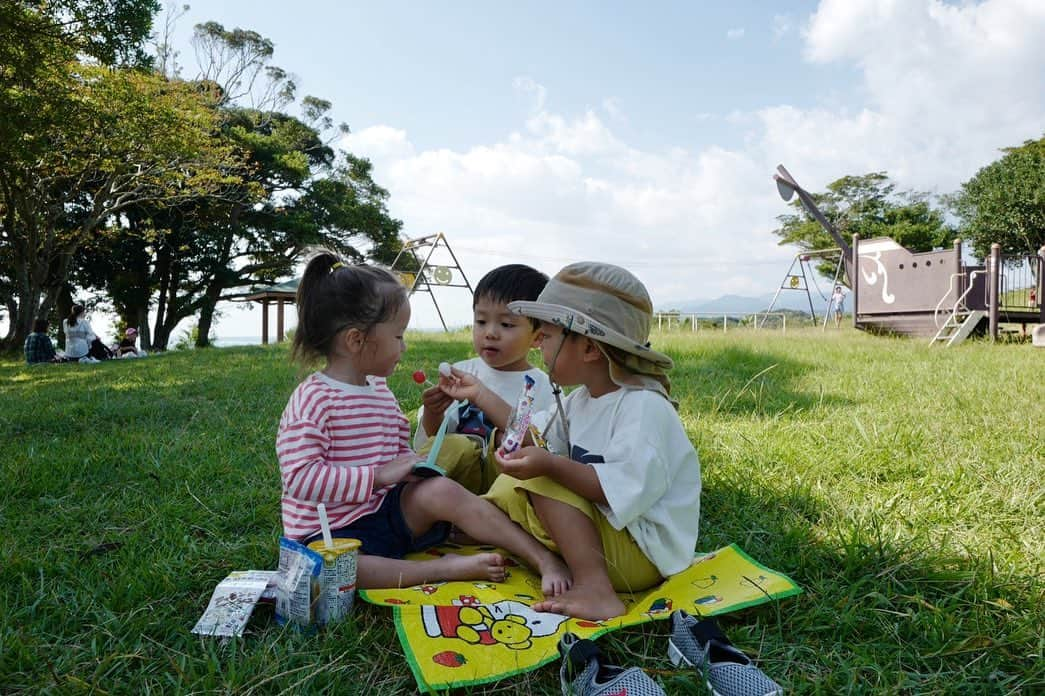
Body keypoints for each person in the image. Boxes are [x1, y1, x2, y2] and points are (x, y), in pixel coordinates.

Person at [276, 250, 570, 594]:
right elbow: (300, 478)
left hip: (385, 513)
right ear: (356, 340)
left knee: (441, 490)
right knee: (325, 570)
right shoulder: (313, 399)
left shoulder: (379, 389)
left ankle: (540, 557)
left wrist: (413, 468)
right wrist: (378, 477)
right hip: (329, 534)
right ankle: (438, 569)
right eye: (398, 336)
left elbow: (399, 451)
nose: (404, 346)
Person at [437, 262, 701, 620]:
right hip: (606, 535)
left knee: (545, 478)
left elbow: (614, 490)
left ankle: (596, 588)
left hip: (642, 552)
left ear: (590, 348)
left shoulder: (642, 408)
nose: (539, 344)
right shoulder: (581, 400)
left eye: (545, 335)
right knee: (512, 482)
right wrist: (481, 395)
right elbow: (531, 437)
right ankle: (526, 548)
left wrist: (548, 465)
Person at [414, 264, 552, 494]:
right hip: (457, 482)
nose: (490, 333)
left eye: (506, 324)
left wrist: (482, 397)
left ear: (537, 338)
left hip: (505, 485)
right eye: (481, 321)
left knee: (509, 446)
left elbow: (541, 446)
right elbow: (435, 440)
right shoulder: (461, 372)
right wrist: (433, 412)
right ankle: (412, 499)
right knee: (455, 444)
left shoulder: (540, 386)